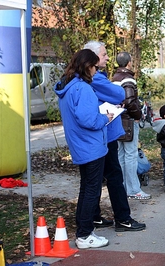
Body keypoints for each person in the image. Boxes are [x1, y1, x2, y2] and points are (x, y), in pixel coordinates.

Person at [83, 41, 146, 232]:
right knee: (113, 176)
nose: (108, 58)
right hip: (106, 133)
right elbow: (119, 94)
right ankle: (123, 219)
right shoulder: (96, 78)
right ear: (93, 58)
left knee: (92, 179)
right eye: (104, 55)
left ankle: (94, 217)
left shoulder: (87, 79)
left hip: (98, 133)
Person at [54, 49, 111, 249]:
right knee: (91, 191)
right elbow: (89, 119)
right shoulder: (83, 89)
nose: (96, 71)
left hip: (80, 145)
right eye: (95, 67)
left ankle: (83, 230)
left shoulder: (68, 86)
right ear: (87, 66)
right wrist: (105, 118)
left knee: (86, 188)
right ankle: (85, 234)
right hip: (91, 146)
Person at [111, 52, 151, 200]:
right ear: (128, 63)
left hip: (117, 119)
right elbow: (129, 101)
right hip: (128, 120)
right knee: (130, 155)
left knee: (121, 154)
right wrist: (138, 115)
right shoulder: (128, 79)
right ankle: (134, 189)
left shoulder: (114, 78)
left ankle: (123, 187)